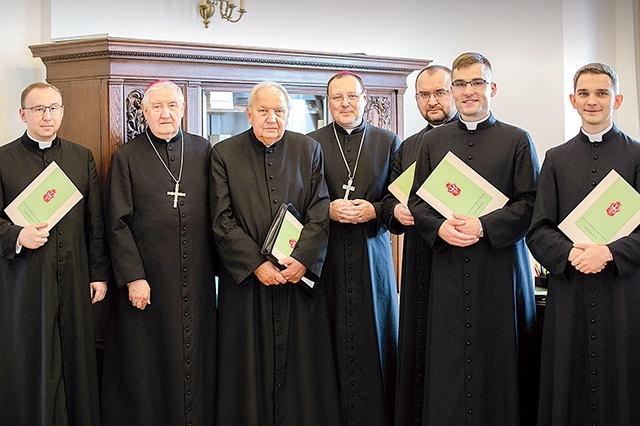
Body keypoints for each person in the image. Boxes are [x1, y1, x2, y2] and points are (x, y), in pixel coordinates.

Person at [407, 52, 540, 424]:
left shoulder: (517, 139)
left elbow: (530, 203)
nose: (469, 91)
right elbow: (418, 200)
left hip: (499, 271)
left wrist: (483, 226)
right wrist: (439, 227)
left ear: (492, 87)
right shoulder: (433, 143)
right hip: (448, 269)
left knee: (500, 360)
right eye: (461, 84)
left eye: (477, 82)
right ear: (453, 90)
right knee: (450, 362)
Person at [212, 81, 340, 425]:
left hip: (295, 279)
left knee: (302, 368)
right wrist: (255, 264)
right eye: (264, 111)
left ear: (289, 113)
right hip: (248, 285)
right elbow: (221, 220)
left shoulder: (308, 149)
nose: (272, 119)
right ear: (249, 113)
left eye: (279, 111)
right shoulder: (224, 154)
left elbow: (320, 208)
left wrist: (303, 259)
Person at [527, 63, 640, 425]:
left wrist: (608, 252)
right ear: (573, 100)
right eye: (585, 94)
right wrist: (571, 254)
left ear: (617, 99)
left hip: (623, 294)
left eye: (602, 93)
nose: (593, 101)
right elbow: (539, 229)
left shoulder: (637, 156)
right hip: (570, 292)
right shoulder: (556, 159)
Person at [101, 80, 217, 425]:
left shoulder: (203, 150)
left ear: (183, 109)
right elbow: (117, 223)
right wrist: (134, 277)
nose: (165, 113)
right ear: (144, 112)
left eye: (172, 106)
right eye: (157, 107)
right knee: (149, 362)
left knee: (196, 356)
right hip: (149, 279)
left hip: (196, 276)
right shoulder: (127, 156)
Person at [0, 82, 110, 424]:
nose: (47, 116)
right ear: (23, 114)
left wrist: (99, 273)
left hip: (75, 275)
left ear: (62, 111)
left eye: (54, 108)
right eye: (39, 109)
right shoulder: (3, 160)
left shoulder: (81, 156)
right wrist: (17, 235)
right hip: (24, 279)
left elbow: (96, 221)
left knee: (75, 355)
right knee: (33, 356)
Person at [308, 70, 400, 425]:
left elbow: (399, 201)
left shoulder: (388, 141)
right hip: (326, 258)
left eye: (352, 96)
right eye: (337, 98)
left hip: (371, 256)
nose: (345, 104)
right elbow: (299, 201)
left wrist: (374, 209)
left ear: (364, 99)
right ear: (327, 102)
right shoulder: (311, 143)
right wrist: (326, 208)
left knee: (373, 339)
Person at [386, 64, 458, 425]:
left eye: (440, 92)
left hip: (467, 259)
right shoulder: (409, 146)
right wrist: (397, 211)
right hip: (420, 259)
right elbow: (389, 202)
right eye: (424, 94)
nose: (432, 101)